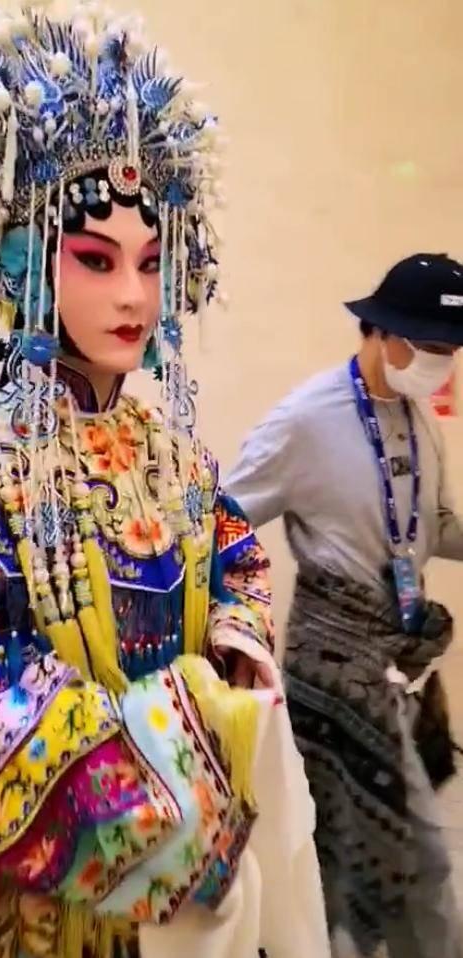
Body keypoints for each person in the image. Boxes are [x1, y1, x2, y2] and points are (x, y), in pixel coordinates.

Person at [0, 5, 330, 958]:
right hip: (35, 918)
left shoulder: (175, 457)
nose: (133, 295)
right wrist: (181, 763)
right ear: (23, 263)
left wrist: (237, 651)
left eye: (152, 264)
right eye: (95, 258)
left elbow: (237, 556)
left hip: (194, 908)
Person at [226, 252, 463, 958]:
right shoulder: (307, 419)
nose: (442, 363)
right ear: (379, 331)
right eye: (429, 346)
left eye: (451, 349)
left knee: (365, 861)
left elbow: (434, 524)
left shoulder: (419, 422)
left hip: (393, 668)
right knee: (381, 858)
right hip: (330, 675)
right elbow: (223, 520)